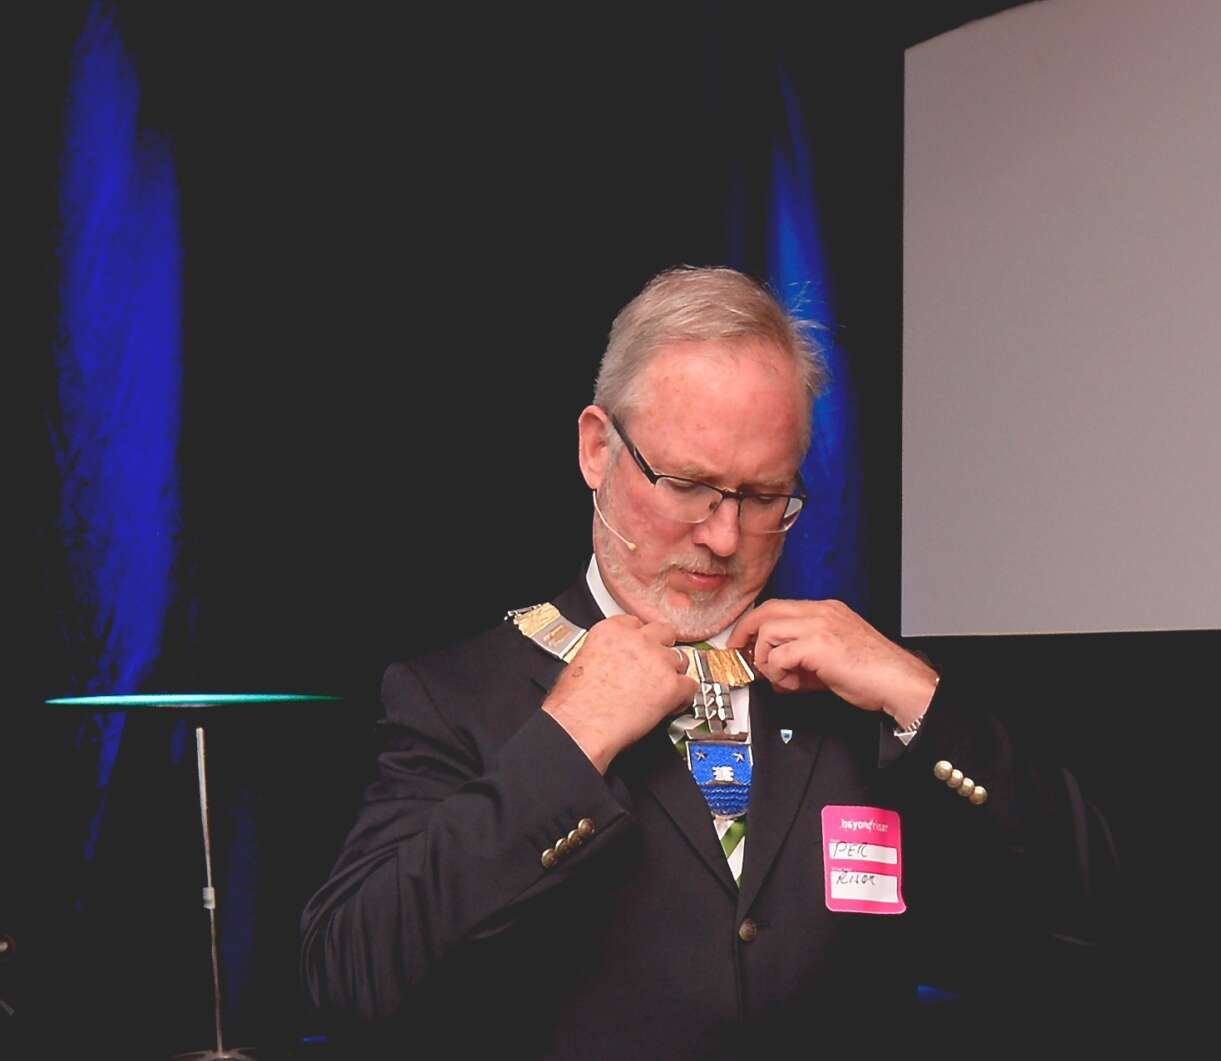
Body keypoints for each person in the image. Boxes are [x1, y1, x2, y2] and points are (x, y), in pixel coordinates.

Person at [300, 266, 1116, 1059]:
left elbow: (1090, 919)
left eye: (763, 497)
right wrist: (568, 739)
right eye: (687, 483)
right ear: (597, 448)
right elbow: (350, 979)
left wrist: (918, 694)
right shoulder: (457, 693)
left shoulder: (857, 697)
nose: (724, 538)